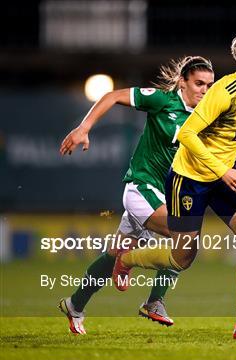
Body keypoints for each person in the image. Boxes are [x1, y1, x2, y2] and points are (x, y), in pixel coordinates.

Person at [112, 25, 236, 341]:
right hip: (189, 177)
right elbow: (189, 134)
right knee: (183, 257)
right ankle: (126, 259)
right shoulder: (223, 92)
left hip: (223, 177)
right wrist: (223, 170)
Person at [58, 56, 220, 334]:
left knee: (113, 254)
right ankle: (153, 300)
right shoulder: (163, 101)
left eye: (209, 85)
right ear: (182, 82)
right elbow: (111, 96)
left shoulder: (208, 117)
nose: (204, 90)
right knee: (185, 238)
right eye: (198, 83)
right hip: (141, 187)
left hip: (167, 196)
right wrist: (84, 128)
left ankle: (74, 304)